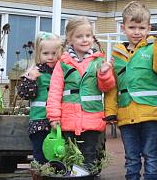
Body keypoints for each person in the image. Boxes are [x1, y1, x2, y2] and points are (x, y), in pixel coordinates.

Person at [105, 2, 157, 180]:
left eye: (142, 28)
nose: (137, 32)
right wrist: (110, 111)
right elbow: (112, 86)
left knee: (150, 152)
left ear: (149, 28)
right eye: (132, 27)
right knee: (131, 154)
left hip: (150, 112)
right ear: (123, 28)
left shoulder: (154, 48)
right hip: (126, 113)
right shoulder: (117, 54)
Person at [47, 17, 115, 172]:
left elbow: (106, 87)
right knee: (70, 155)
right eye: (79, 36)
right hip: (68, 120)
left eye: (88, 36)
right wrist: (54, 117)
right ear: (70, 39)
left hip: (91, 119)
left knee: (89, 155)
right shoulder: (62, 63)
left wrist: (104, 73)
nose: (85, 40)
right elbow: (55, 92)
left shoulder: (99, 61)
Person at [16, 31, 63, 180]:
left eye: (54, 53)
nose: (50, 57)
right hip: (40, 120)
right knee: (40, 153)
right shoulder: (35, 72)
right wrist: (30, 79)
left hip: (57, 121)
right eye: (45, 53)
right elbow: (24, 94)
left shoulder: (61, 71)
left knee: (57, 152)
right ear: (39, 54)